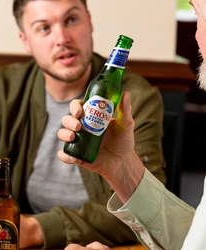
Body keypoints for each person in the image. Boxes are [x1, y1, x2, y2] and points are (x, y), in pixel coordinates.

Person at [0, 0, 166, 249]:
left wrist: (37, 229)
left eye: (71, 20)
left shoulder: (135, 99)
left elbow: (145, 209)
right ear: (25, 41)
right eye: (44, 28)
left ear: (89, 22)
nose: (62, 38)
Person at [58, 0, 206, 249]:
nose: (196, 33)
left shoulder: (139, 92)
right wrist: (123, 171)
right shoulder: (3, 85)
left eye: (197, 12)